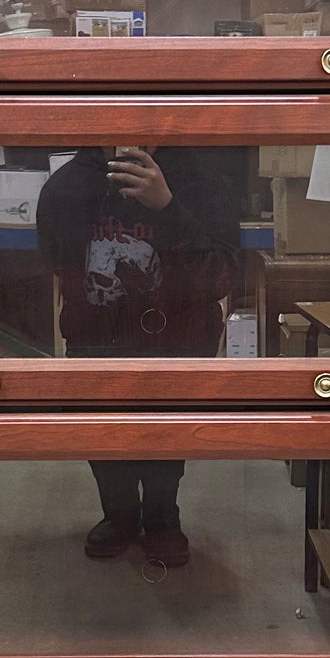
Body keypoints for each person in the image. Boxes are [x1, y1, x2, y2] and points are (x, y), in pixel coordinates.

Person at [37, 145, 239, 567]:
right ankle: (120, 513)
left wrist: (166, 207)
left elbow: (221, 276)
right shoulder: (68, 184)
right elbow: (58, 267)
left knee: (167, 434)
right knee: (103, 433)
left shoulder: (201, 180)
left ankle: (163, 515)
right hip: (97, 341)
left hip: (179, 340)